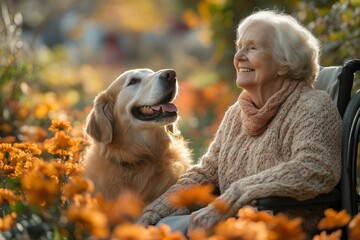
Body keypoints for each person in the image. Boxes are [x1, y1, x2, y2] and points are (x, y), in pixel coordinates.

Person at [138, 10, 342, 237]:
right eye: (240, 47)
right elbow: (206, 172)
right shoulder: (237, 112)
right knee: (157, 229)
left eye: (252, 48)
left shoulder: (312, 106)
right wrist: (153, 212)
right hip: (234, 224)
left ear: (284, 63)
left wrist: (234, 196)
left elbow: (315, 168)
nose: (239, 56)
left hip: (284, 230)